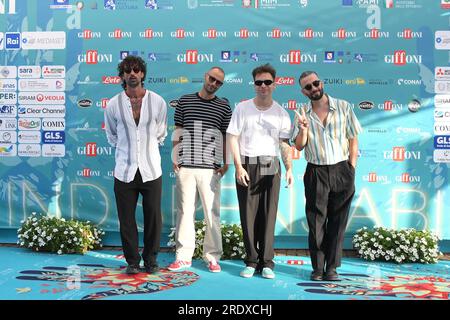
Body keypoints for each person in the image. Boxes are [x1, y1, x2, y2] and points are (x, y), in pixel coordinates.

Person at [292, 71, 362, 281]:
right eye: (308, 87)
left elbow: (353, 139)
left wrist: (351, 168)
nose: (313, 88)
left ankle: (331, 267)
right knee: (316, 222)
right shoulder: (301, 112)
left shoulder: (343, 106)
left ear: (321, 83)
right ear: (303, 91)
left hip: (342, 169)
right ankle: (317, 268)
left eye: (315, 83)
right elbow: (298, 145)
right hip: (316, 171)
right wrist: (303, 129)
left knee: (338, 222)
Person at [227, 64, 293, 279]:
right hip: (247, 163)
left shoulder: (281, 113)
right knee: (248, 215)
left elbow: (284, 143)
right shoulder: (242, 108)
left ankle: (266, 262)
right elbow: (232, 137)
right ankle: (251, 260)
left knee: (268, 214)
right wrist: (238, 166)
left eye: (267, 82)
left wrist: (290, 167)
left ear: (274, 84)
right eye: (258, 82)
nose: (263, 86)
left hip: (271, 163)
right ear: (254, 84)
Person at [104, 55, 167, 274]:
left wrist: (146, 149)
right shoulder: (113, 104)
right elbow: (111, 134)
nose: (132, 74)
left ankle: (150, 260)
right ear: (121, 75)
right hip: (124, 170)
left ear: (142, 74)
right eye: (127, 71)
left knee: (153, 218)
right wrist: (126, 150)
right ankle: (132, 261)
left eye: (136, 70)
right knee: (126, 219)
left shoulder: (158, 101)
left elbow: (161, 132)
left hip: (151, 170)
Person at [168, 67, 232, 273]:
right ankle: (183, 257)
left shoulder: (224, 106)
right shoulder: (185, 101)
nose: (214, 83)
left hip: (210, 169)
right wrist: (175, 156)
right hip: (186, 166)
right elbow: (178, 130)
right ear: (206, 76)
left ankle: (212, 257)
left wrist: (226, 162)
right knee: (185, 212)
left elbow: (225, 136)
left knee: (211, 214)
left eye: (219, 82)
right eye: (212, 79)